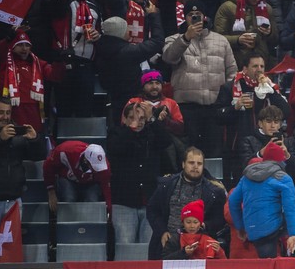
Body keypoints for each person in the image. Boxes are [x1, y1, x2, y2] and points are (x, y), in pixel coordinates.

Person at [163, 0, 237, 156]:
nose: (194, 17)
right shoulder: (173, 39)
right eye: (191, 14)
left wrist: (225, 98)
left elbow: (232, 71)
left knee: (214, 152)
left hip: (214, 107)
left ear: (204, 17)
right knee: (189, 152)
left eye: (198, 14)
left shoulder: (221, 41)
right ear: (185, 17)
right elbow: (169, 58)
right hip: (187, 108)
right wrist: (185, 39)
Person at [228, 141, 295, 258]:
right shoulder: (283, 177)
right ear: (281, 161)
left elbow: (232, 201)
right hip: (272, 228)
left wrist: (240, 226)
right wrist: (293, 233)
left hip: (253, 231)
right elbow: (289, 207)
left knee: (267, 267)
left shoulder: (246, 177)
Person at [107, 102, 173, 244]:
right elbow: (116, 148)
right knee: (125, 245)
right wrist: (132, 127)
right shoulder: (116, 133)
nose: (138, 121)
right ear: (124, 119)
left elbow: (166, 141)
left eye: (141, 118)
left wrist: (152, 119)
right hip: (124, 202)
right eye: (132, 117)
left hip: (150, 202)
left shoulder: (152, 133)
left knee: (147, 247)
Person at [147, 147, 228, 260]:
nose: (195, 166)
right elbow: (152, 210)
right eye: (191, 162)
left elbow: (220, 218)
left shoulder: (215, 192)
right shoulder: (166, 185)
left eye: (199, 163)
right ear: (183, 164)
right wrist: (162, 231)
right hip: (168, 245)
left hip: (200, 247)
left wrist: (205, 225)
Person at [46, 0, 102, 118]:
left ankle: (81, 141)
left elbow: (100, 29)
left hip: (87, 66)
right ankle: (62, 141)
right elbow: (55, 8)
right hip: (66, 63)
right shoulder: (63, 2)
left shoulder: (94, 6)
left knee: (85, 109)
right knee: (64, 109)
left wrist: (98, 35)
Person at [94, 15, 166, 119]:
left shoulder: (101, 48)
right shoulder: (128, 52)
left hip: (112, 100)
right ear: (120, 31)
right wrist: (154, 16)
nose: (129, 30)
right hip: (130, 102)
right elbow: (157, 41)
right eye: (127, 28)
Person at [0, 30, 63, 134]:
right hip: (10, 109)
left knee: (33, 139)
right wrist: (7, 39)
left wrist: (59, 62)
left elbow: (55, 76)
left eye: (27, 45)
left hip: (33, 110)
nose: (24, 48)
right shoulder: (4, 62)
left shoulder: (39, 63)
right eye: (20, 45)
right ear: (12, 46)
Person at [213, 0, 279, 68]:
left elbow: (276, 39)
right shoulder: (227, 8)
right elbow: (217, 40)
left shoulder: (267, 9)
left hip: (262, 66)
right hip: (236, 65)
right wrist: (238, 40)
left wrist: (269, 33)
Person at [0, 98, 43, 218]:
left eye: (8, 112)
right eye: (1, 112)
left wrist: (34, 140)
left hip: (14, 200)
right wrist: (1, 139)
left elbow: (37, 157)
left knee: (13, 237)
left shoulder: (17, 133)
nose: (5, 116)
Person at [43, 141, 112, 212]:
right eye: (94, 166)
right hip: (68, 179)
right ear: (86, 160)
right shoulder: (65, 151)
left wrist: (108, 213)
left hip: (90, 183)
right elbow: (48, 166)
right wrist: (51, 192)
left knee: (92, 202)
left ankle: (89, 222)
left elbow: (106, 189)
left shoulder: (104, 167)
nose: (97, 169)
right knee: (69, 199)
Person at [161, 199, 227, 260]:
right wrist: (183, 253)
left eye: (195, 222)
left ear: (201, 223)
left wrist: (219, 252)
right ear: (183, 222)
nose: (192, 226)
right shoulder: (174, 240)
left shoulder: (209, 240)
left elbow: (223, 264)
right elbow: (164, 259)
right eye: (188, 222)